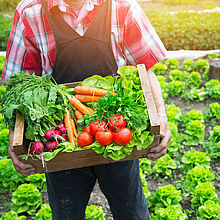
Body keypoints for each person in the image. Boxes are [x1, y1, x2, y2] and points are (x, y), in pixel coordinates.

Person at [3, 0, 171, 219]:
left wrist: (162, 119)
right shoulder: (30, 11)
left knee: (132, 212)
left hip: (116, 133)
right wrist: (14, 139)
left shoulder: (121, 6)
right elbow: (20, 84)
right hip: (62, 139)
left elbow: (145, 67)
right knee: (66, 213)